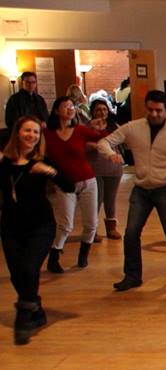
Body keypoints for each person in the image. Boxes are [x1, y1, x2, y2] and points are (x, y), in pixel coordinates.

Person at [97, 90, 166, 291]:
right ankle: (132, 275)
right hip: (142, 188)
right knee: (131, 233)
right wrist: (111, 155)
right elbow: (104, 142)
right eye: (150, 110)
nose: (154, 114)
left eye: (158, 110)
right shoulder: (133, 128)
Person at [1, 116, 75, 345]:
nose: (31, 135)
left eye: (35, 132)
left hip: (40, 226)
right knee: (17, 273)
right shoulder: (4, 162)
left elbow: (69, 185)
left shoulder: (43, 161)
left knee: (29, 268)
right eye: (27, 131)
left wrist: (50, 172)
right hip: (11, 226)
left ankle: (24, 316)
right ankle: (35, 308)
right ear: (17, 133)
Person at [44, 96, 109, 273]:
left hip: (87, 180)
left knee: (91, 222)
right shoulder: (48, 133)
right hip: (64, 183)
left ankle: (84, 254)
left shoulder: (80, 130)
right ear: (57, 110)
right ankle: (55, 255)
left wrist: (102, 130)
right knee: (65, 223)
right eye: (66, 106)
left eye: (72, 106)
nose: (70, 109)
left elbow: (103, 141)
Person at [84, 99, 123, 240]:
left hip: (114, 168)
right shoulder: (87, 127)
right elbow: (82, 146)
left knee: (111, 199)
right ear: (93, 112)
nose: (102, 112)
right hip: (95, 168)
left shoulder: (114, 126)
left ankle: (111, 228)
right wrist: (94, 146)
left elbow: (122, 143)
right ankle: (92, 230)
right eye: (98, 109)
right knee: (96, 199)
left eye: (104, 109)